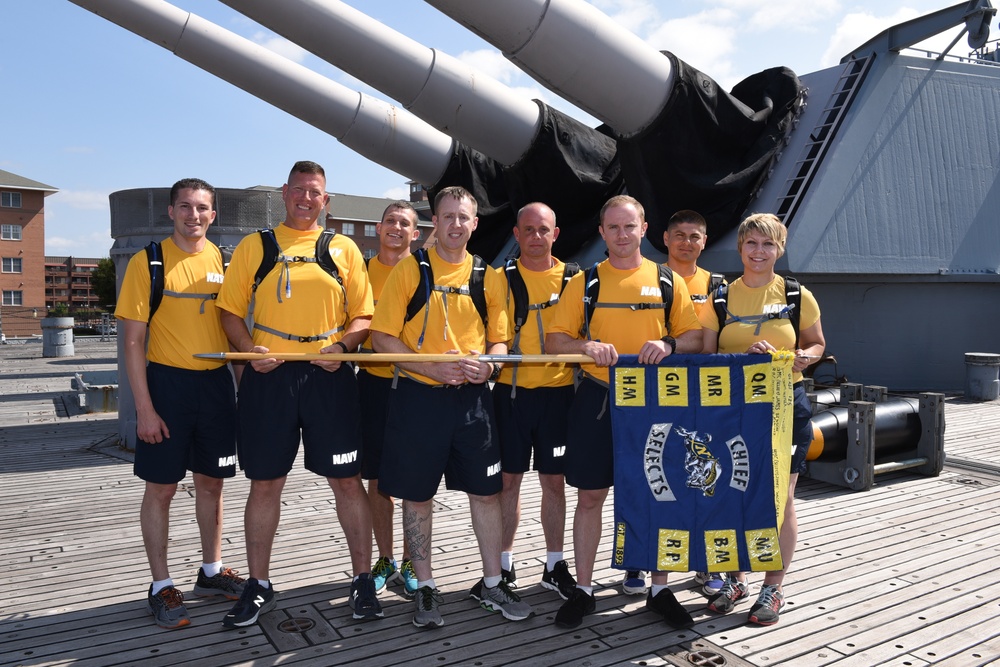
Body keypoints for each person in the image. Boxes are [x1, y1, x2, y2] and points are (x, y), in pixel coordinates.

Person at [215, 161, 381, 627]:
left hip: (328, 374)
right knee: (265, 482)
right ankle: (259, 583)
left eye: (316, 193)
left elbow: (363, 317)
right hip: (269, 375)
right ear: (284, 194)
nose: (307, 199)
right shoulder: (256, 246)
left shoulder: (343, 248)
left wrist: (344, 347)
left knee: (346, 481)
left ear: (326, 201)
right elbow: (229, 312)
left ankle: (362, 579)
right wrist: (247, 351)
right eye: (299, 191)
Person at [370, 186, 533, 628]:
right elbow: (382, 338)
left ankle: (493, 582)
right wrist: (429, 368)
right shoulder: (410, 270)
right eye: (447, 217)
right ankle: (424, 588)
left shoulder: (489, 276)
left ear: (474, 223)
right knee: (417, 496)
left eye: (464, 217)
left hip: (472, 402)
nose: (456, 225)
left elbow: (500, 340)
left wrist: (491, 367)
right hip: (419, 399)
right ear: (434, 223)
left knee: (487, 493)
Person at [546, 194, 703, 629]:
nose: (621, 235)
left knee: (658, 493)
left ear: (643, 229)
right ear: (602, 232)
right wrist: (586, 346)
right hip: (597, 398)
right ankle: (583, 588)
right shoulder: (585, 282)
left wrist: (669, 344)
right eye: (613, 227)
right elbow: (553, 341)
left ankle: (658, 588)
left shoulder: (668, 281)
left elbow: (696, 339)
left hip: (655, 402)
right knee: (590, 496)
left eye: (629, 226)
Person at [115, 178, 245, 629]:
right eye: (185, 207)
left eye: (202, 208)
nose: (194, 215)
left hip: (215, 386)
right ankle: (160, 584)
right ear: (171, 211)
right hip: (167, 386)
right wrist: (145, 409)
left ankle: (211, 571)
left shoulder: (225, 262)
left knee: (212, 483)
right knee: (162, 489)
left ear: (214, 215)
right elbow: (133, 342)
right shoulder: (146, 262)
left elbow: (234, 330)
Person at [699, 212, 825, 626]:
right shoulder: (719, 296)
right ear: (740, 247)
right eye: (751, 243)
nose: (759, 252)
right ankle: (736, 579)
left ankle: (774, 586)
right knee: (732, 492)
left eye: (768, 244)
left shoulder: (796, 294)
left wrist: (803, 358)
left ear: (780, 249)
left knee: (781, 498)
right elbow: (704, 355)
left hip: (786, 404)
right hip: (732, 409)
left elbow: (816, 345)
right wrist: (740, 360)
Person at [628, 208, 724, 599]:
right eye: (679, 234)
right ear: (664, 239)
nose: (687, 242)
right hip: (652, 394)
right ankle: (638, 555)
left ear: (705, 241)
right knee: (645, 474)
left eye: (695, 236)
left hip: (699, 396)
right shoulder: (648, 277)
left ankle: (703, 563)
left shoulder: (719, 285)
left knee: (698, 478)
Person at [493, 202, 577, 601]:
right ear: (516, 234)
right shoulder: (498, 279)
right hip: (511, 395)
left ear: (555, 234)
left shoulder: (575, 279)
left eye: (543, 229)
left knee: (554, 482)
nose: (536, 237)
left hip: (559, 395)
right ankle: (504, 564)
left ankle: (554, 563)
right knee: (507, 482)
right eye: (528, 230)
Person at [358, 201, 421, 597]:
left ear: (416, 234)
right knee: (378, 479)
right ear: (379, 228)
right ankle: (386, 558)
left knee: (415, 480)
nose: (396, 228)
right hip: (374, 384)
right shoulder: (360, 273)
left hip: (417, 384)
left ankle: (415, 560)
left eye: (405, 224)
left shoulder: (425, 272)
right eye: (391, 222)